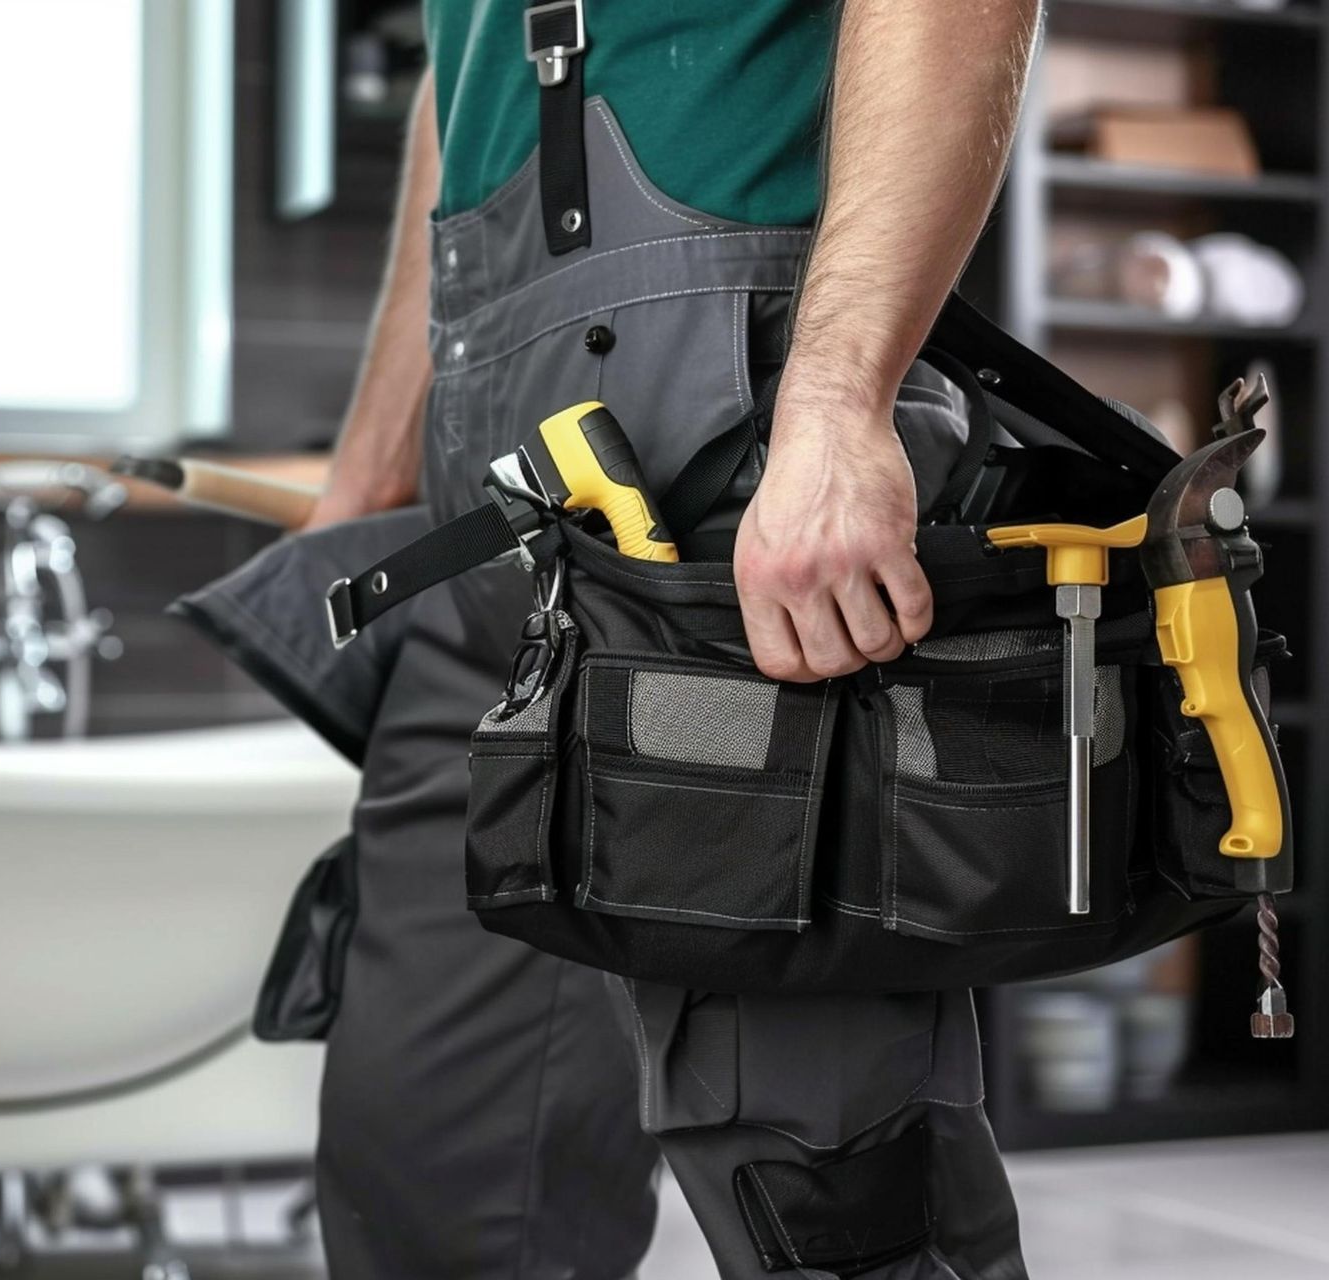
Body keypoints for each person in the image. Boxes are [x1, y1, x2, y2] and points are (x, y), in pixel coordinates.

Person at [301, 2, 1040, 1277]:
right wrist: (371, 464)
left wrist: (838, 402)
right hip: (491, 512)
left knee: (819, 1180)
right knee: (426, 1163)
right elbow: (459, 83)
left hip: (725, 478)